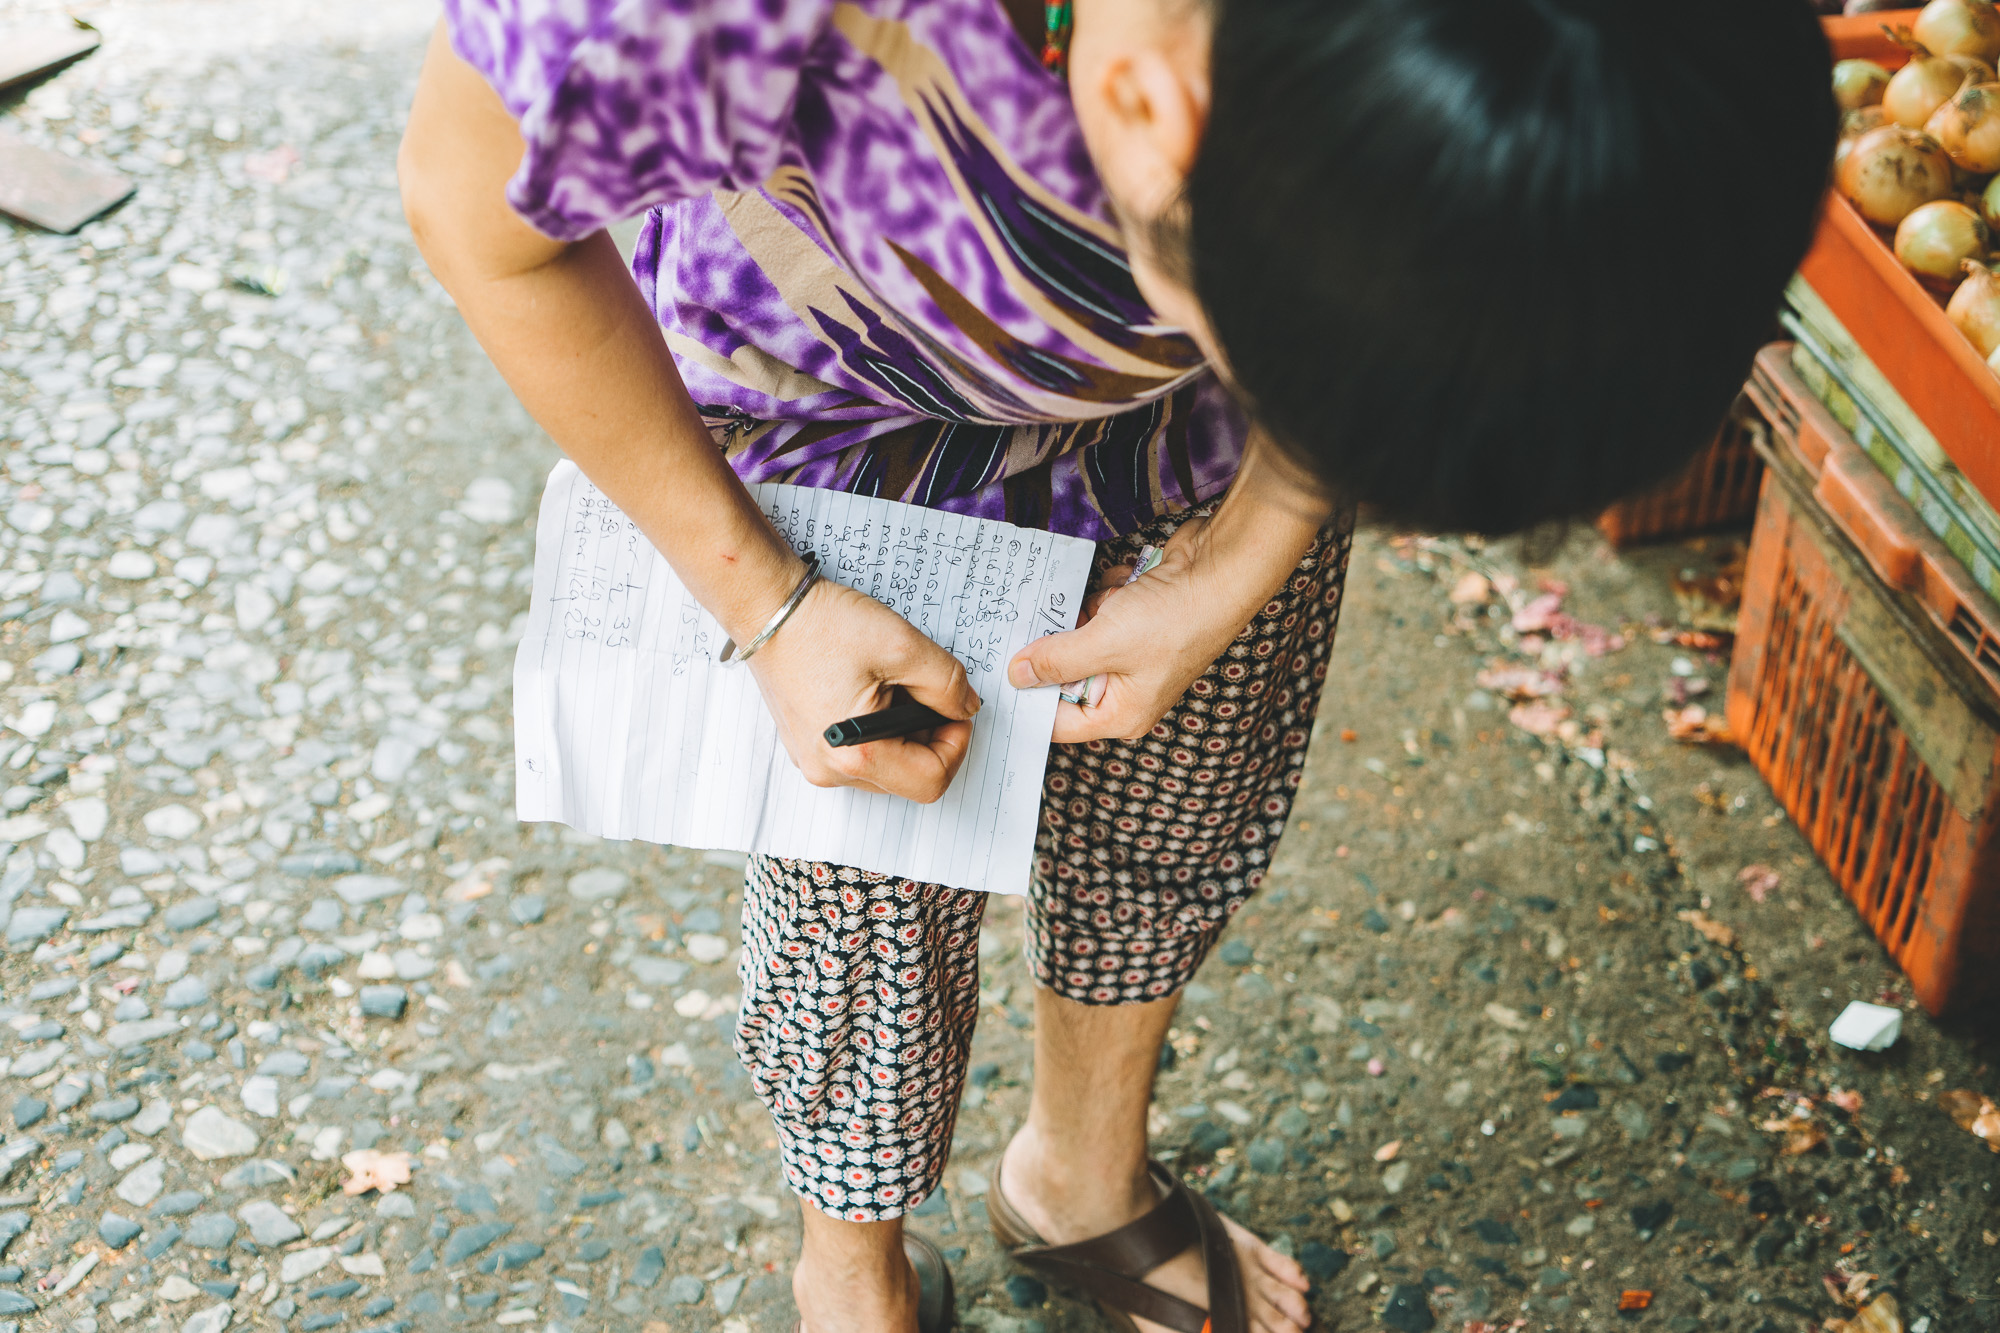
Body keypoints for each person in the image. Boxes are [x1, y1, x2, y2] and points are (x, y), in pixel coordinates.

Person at [398, 0, 1833, 1326]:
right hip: (847, 411)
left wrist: (1254, 535)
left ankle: (1080, 1176)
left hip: (1195, 413)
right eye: (1299, 377)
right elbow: (479, 221)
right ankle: (850, 1251)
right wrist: (770, 602)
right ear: (1144, 109)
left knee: (1183, 787)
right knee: (864, 879)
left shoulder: (1317, 201)